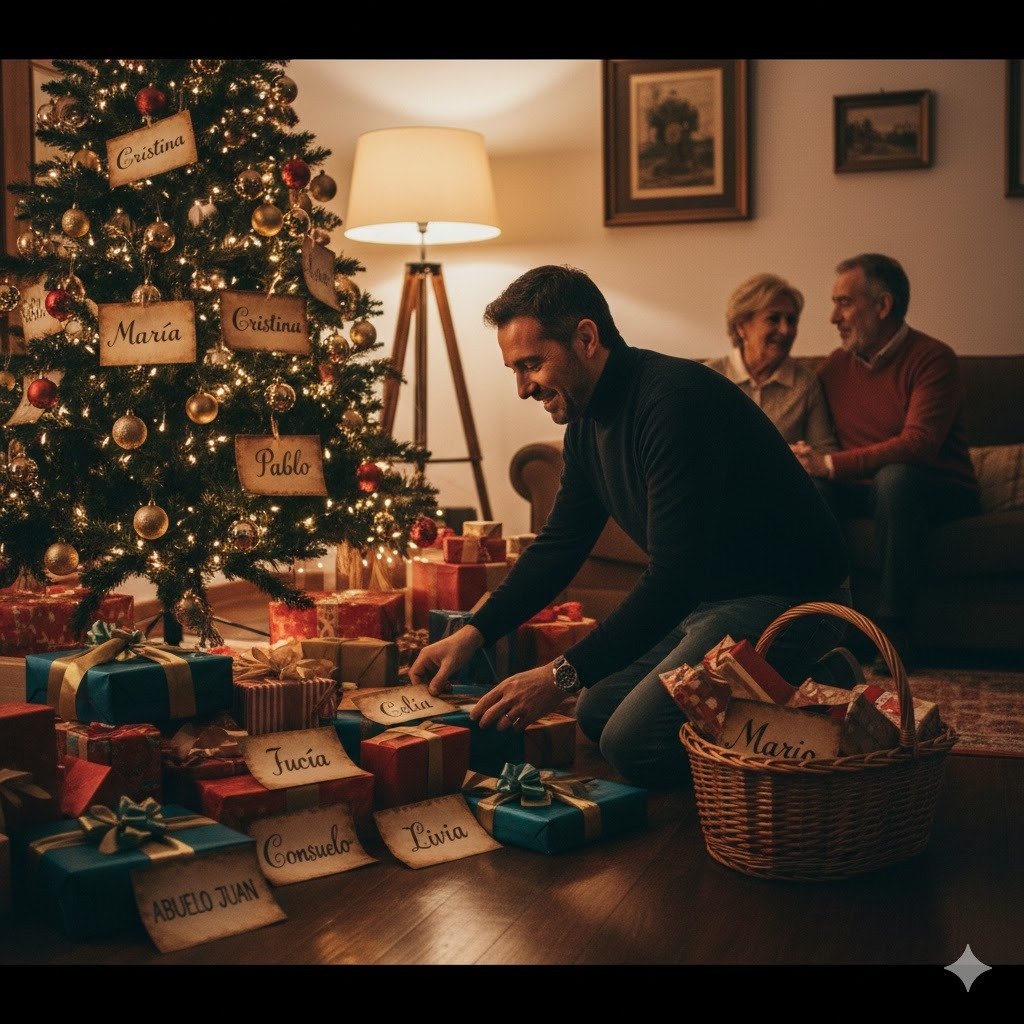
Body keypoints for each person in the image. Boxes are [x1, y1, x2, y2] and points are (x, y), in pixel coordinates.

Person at [409, 264, 851, 788]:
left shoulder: (674, 403)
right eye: (515, 369)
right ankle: (779, 691)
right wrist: (473, 633)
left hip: (789, 601)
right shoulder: (586, 422)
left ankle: (820, 680)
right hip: (709, 605)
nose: (523, 388)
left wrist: (557, 675)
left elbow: (672, 580)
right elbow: (559, 547)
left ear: (587, 338)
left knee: (633, 742)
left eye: (532, 364)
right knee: (598, 711)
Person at [791, 253, 980, 672]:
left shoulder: (933, 359)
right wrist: (804, 458)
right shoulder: (835, 366)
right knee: (815, 491)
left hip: (935, 489)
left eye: (844, 302)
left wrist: (832, 464)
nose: (832, 317)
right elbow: (812, 433)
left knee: (894, 480)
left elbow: (918, 445)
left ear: (883, 306)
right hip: (865, 490)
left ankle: (895, 633)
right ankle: (836, 628)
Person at [705, 272, 838, 453]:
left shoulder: (805, 383)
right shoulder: (709, 376)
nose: (785, 330)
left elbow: (825, 451)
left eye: (791, 320)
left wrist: (807, 456)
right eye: (773, 318)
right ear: (741, 327)